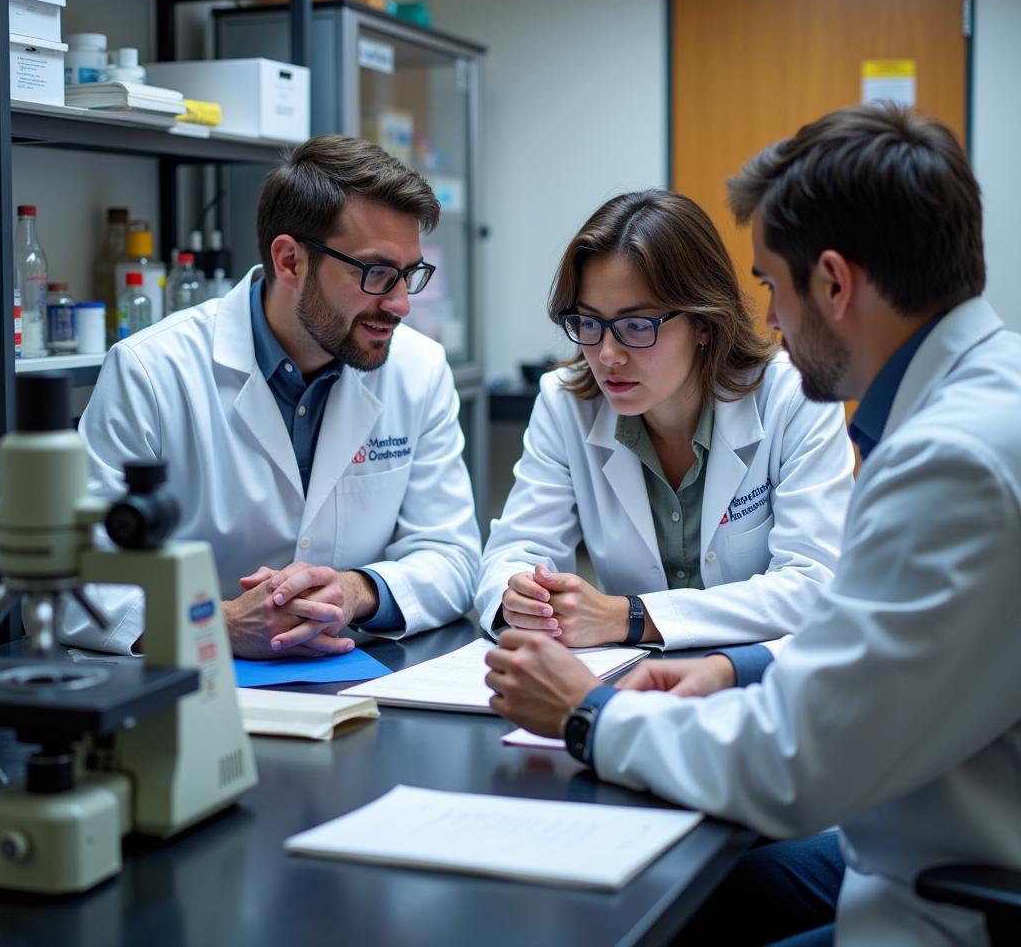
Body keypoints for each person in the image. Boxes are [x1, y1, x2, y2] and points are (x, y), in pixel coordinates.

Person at [485, 103, 1021, 946]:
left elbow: (795, 768)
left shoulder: (951, 462)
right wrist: (743, 671)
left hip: (946, 897)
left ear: (835, 284)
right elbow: (884, 645)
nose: (767, 318)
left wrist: (590, 713)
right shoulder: (988, 399)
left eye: (771, 283)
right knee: (703, 893)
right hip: (920, 827)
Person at [63, 135, 481, 658]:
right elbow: (77, 579)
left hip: (360, 683)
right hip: (196, 692)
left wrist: (355, 591)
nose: (399, 304)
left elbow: (453, 556)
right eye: (376, 274)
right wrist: (214, 624)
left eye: (410, 274)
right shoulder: (151, 370)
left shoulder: (419, 369)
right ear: (290, 261)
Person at [476, 189, 854, 689]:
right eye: (589, 323)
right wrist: (520, 595)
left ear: (703, 322)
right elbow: (515, 549)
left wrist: (630, 617)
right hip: (632, 683)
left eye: (636, 326)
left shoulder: (794, 394)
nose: (608, 354)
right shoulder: (565, 402)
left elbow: (814, 586)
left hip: (765, 687)